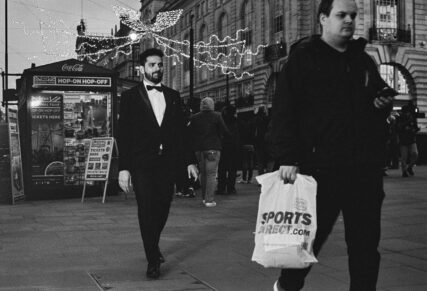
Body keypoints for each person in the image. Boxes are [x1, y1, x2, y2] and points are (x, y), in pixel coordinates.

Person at [271, 0, 396, 290]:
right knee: (308, 241)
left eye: (353, 15)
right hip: (320, 169)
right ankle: (287, 286)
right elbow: (284, 110)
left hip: (363, 169)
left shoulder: (363, 60)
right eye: (341, 15)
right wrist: (287, 157)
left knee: (365, 247)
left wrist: (381, 105)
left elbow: (373, 109)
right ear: (323, 19)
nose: (349, 21)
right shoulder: (304, 58)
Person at [117, 48, 198, 279]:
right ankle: (153, 259)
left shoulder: (172, 96)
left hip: (167, 164)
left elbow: (182, 133)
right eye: (152, 65)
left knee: (163, 206)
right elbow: (124, 134)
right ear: (142, 68)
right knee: (146, 209)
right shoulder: (130, 97)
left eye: (160, 65)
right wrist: (124, 168)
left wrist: (190, 161)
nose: (157, 69)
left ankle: (153, 245)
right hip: (142, 163)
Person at [187, 97, 230, 207]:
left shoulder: (194, 117)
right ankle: (209, 200)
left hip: (199, 149)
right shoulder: (217, 115)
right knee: (211, 174)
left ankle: (204, 198)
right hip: (213, 148)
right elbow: (225, 131)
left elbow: (190, 134)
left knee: (203, 173)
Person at [217, 104, 240, 194]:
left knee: (222, 169)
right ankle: (231, 187)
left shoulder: (221, 121)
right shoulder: (236, 121)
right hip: (233, 147)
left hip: (222, 147)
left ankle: (221, 187)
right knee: (232, 169)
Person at [396, 101, 419, 177]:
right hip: (403, 140)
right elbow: (398, 128)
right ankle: (404, 171)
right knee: (404, 157)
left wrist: (415, 129)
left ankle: (410, 167)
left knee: (415, 154)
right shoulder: (400, 118)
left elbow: (415, 127)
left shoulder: (412, 118)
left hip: (411, 139)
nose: (407, 114)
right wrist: (407, 123)